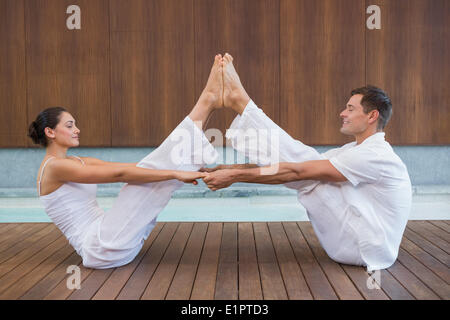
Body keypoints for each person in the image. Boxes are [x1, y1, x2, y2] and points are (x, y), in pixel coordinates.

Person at [202, 53, 412, 271]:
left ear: (372, 116)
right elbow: (298, 166)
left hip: (365, 248)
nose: (342, 113)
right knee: (308, 164)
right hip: (358, 240)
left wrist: (234, 177)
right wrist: (230, 168)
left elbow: (297, 171)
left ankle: (244, 105)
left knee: (308, 172)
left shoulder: (374, 155)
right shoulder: (355, 150)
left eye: (350, 109)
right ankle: (244, 106)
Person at [28, 55, 225, 269]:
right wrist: (176, 173)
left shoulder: (76, 161)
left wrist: (176, 168)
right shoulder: (55, 167)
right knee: (138, 182)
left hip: (112, 241)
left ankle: (208, 104)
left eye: (75, 125)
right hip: (100, 247)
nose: (77, 130)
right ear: (50, 132)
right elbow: (119, 175)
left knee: (146, 172)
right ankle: (207, 101)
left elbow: (130, 168)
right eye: (69, 125)